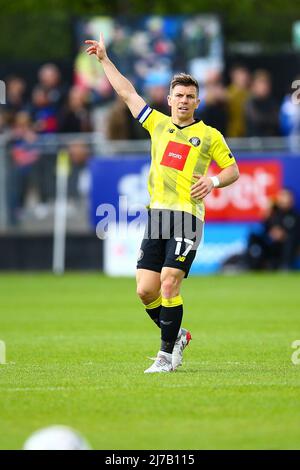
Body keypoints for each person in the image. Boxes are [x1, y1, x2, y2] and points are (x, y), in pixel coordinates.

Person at [85, 33, 240, 373]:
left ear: (197, 102)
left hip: (187, 217)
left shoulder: (210, 135)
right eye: (179, 95)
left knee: (170, 280)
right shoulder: (157, 123)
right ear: (169, 98)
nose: (184, 101)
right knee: (145, 291)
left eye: (190, 96)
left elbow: (233, 171)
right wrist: (104, 61)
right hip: (157, 217)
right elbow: (126, 92)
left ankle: (166, 357)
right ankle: (178, 336)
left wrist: (212, 181)